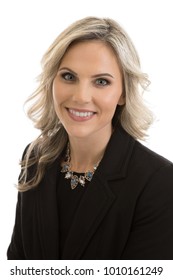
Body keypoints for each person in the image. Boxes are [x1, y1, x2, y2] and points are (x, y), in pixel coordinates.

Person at [7, 16, 173, 260]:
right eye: (69, 77)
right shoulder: (36, 158)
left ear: (123, 93)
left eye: (101, 82)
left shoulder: (160, 182)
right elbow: (18, 263)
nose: (81, 97)